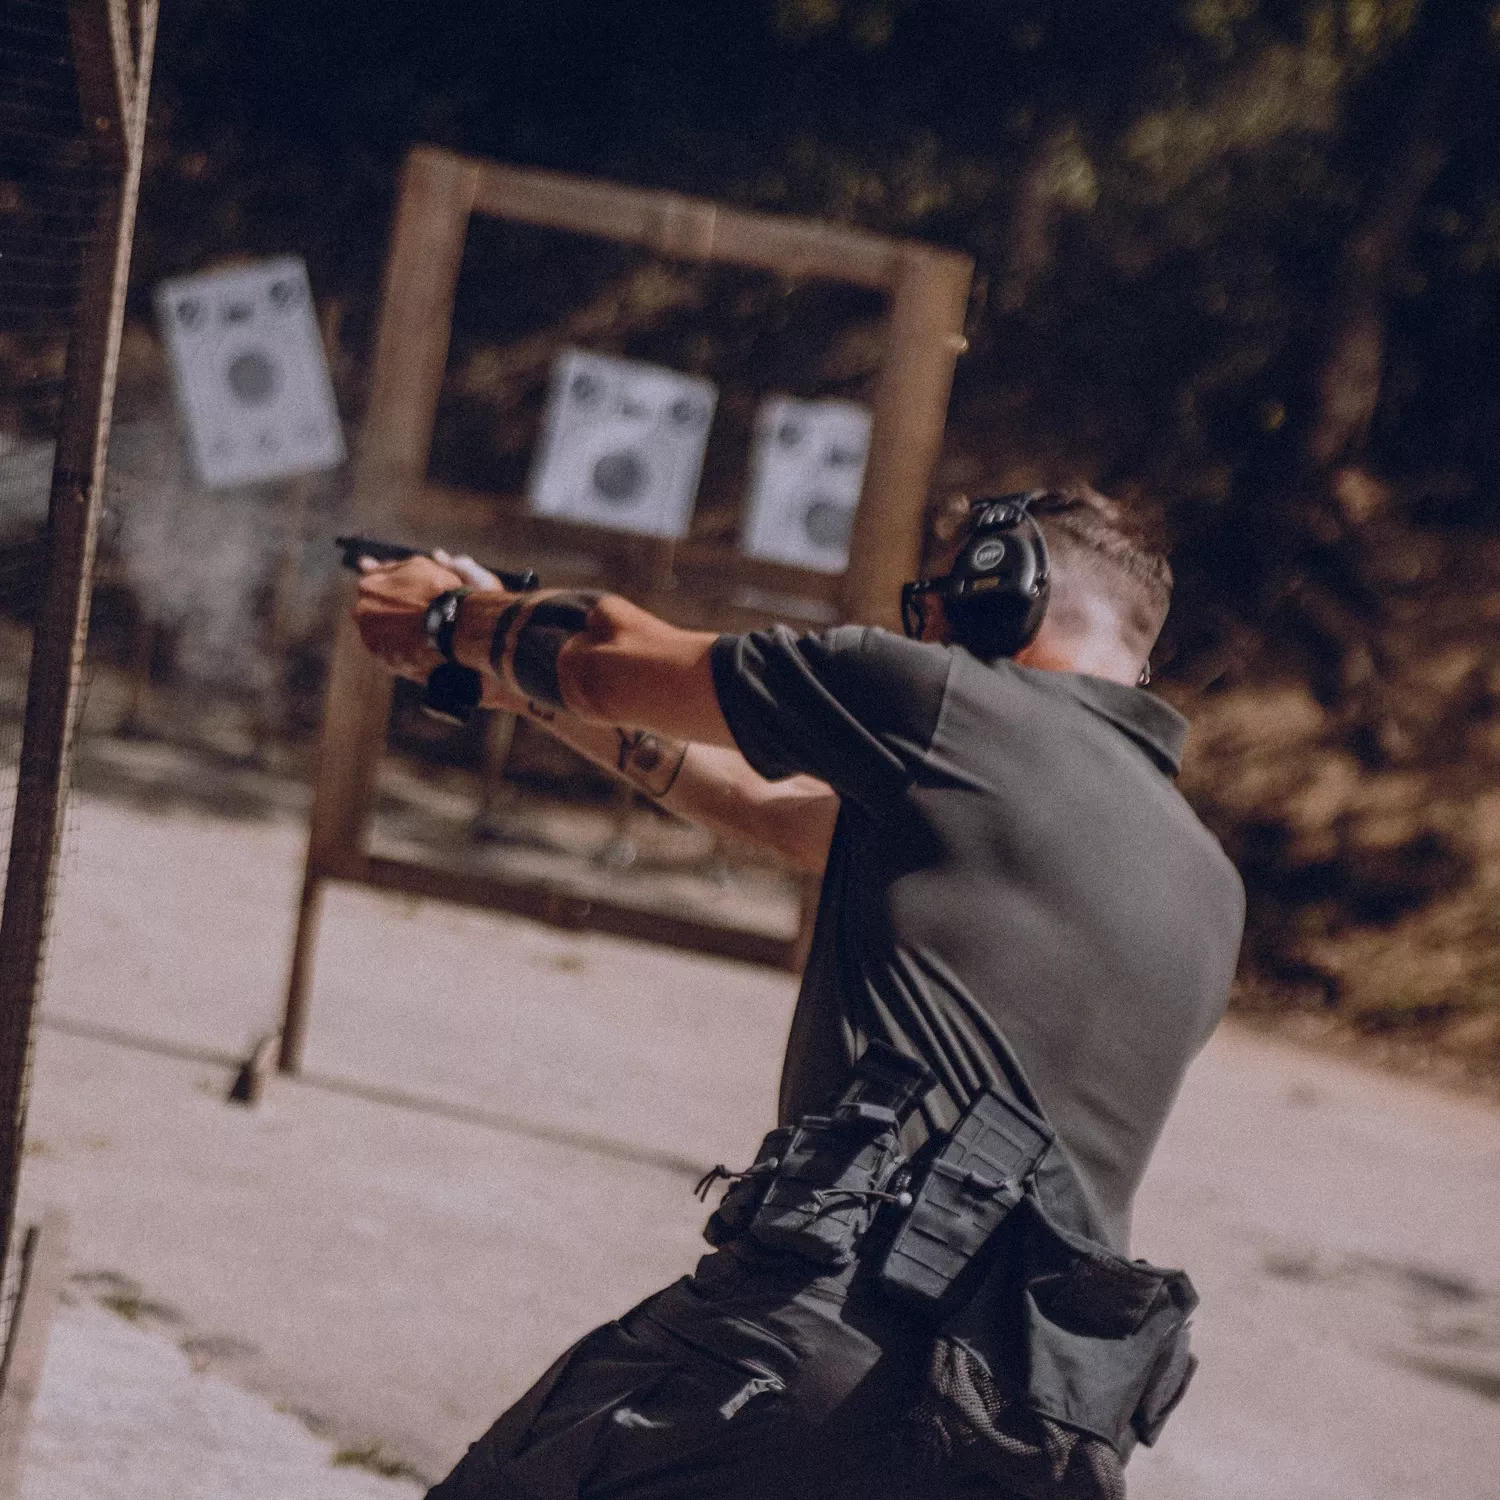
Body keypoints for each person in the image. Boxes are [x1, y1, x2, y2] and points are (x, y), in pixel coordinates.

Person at [352, 487, 1244, 1500]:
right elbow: (770, 811)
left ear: (1004, 589)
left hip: (815, 1345)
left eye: (945, 592)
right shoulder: (1208, 885)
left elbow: (608, 657)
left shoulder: (940, 702)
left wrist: (452, 617)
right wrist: (519, 688)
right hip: (1024, 1433)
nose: (931, 621)